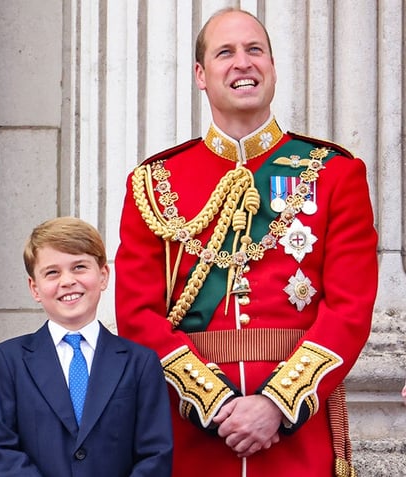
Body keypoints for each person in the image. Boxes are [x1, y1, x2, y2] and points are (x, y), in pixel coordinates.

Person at [114, 8, 378, 477]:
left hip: (295, 439)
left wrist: (277, 405)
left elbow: (349, 310)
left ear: (272, 67)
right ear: (200, 74)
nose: (243, 63)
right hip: (191, 438)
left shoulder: (335, 173)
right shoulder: (154, 184)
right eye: (225, 53)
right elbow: (137, 315)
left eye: (255, 50)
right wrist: (214, 403)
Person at [0, 217, 173, 476]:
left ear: (103, 276)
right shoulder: (8, 360)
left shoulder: (139, 362)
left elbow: (155, 453)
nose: (67, 281)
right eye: (52, 272)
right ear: (34, 288)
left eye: (79, 267)